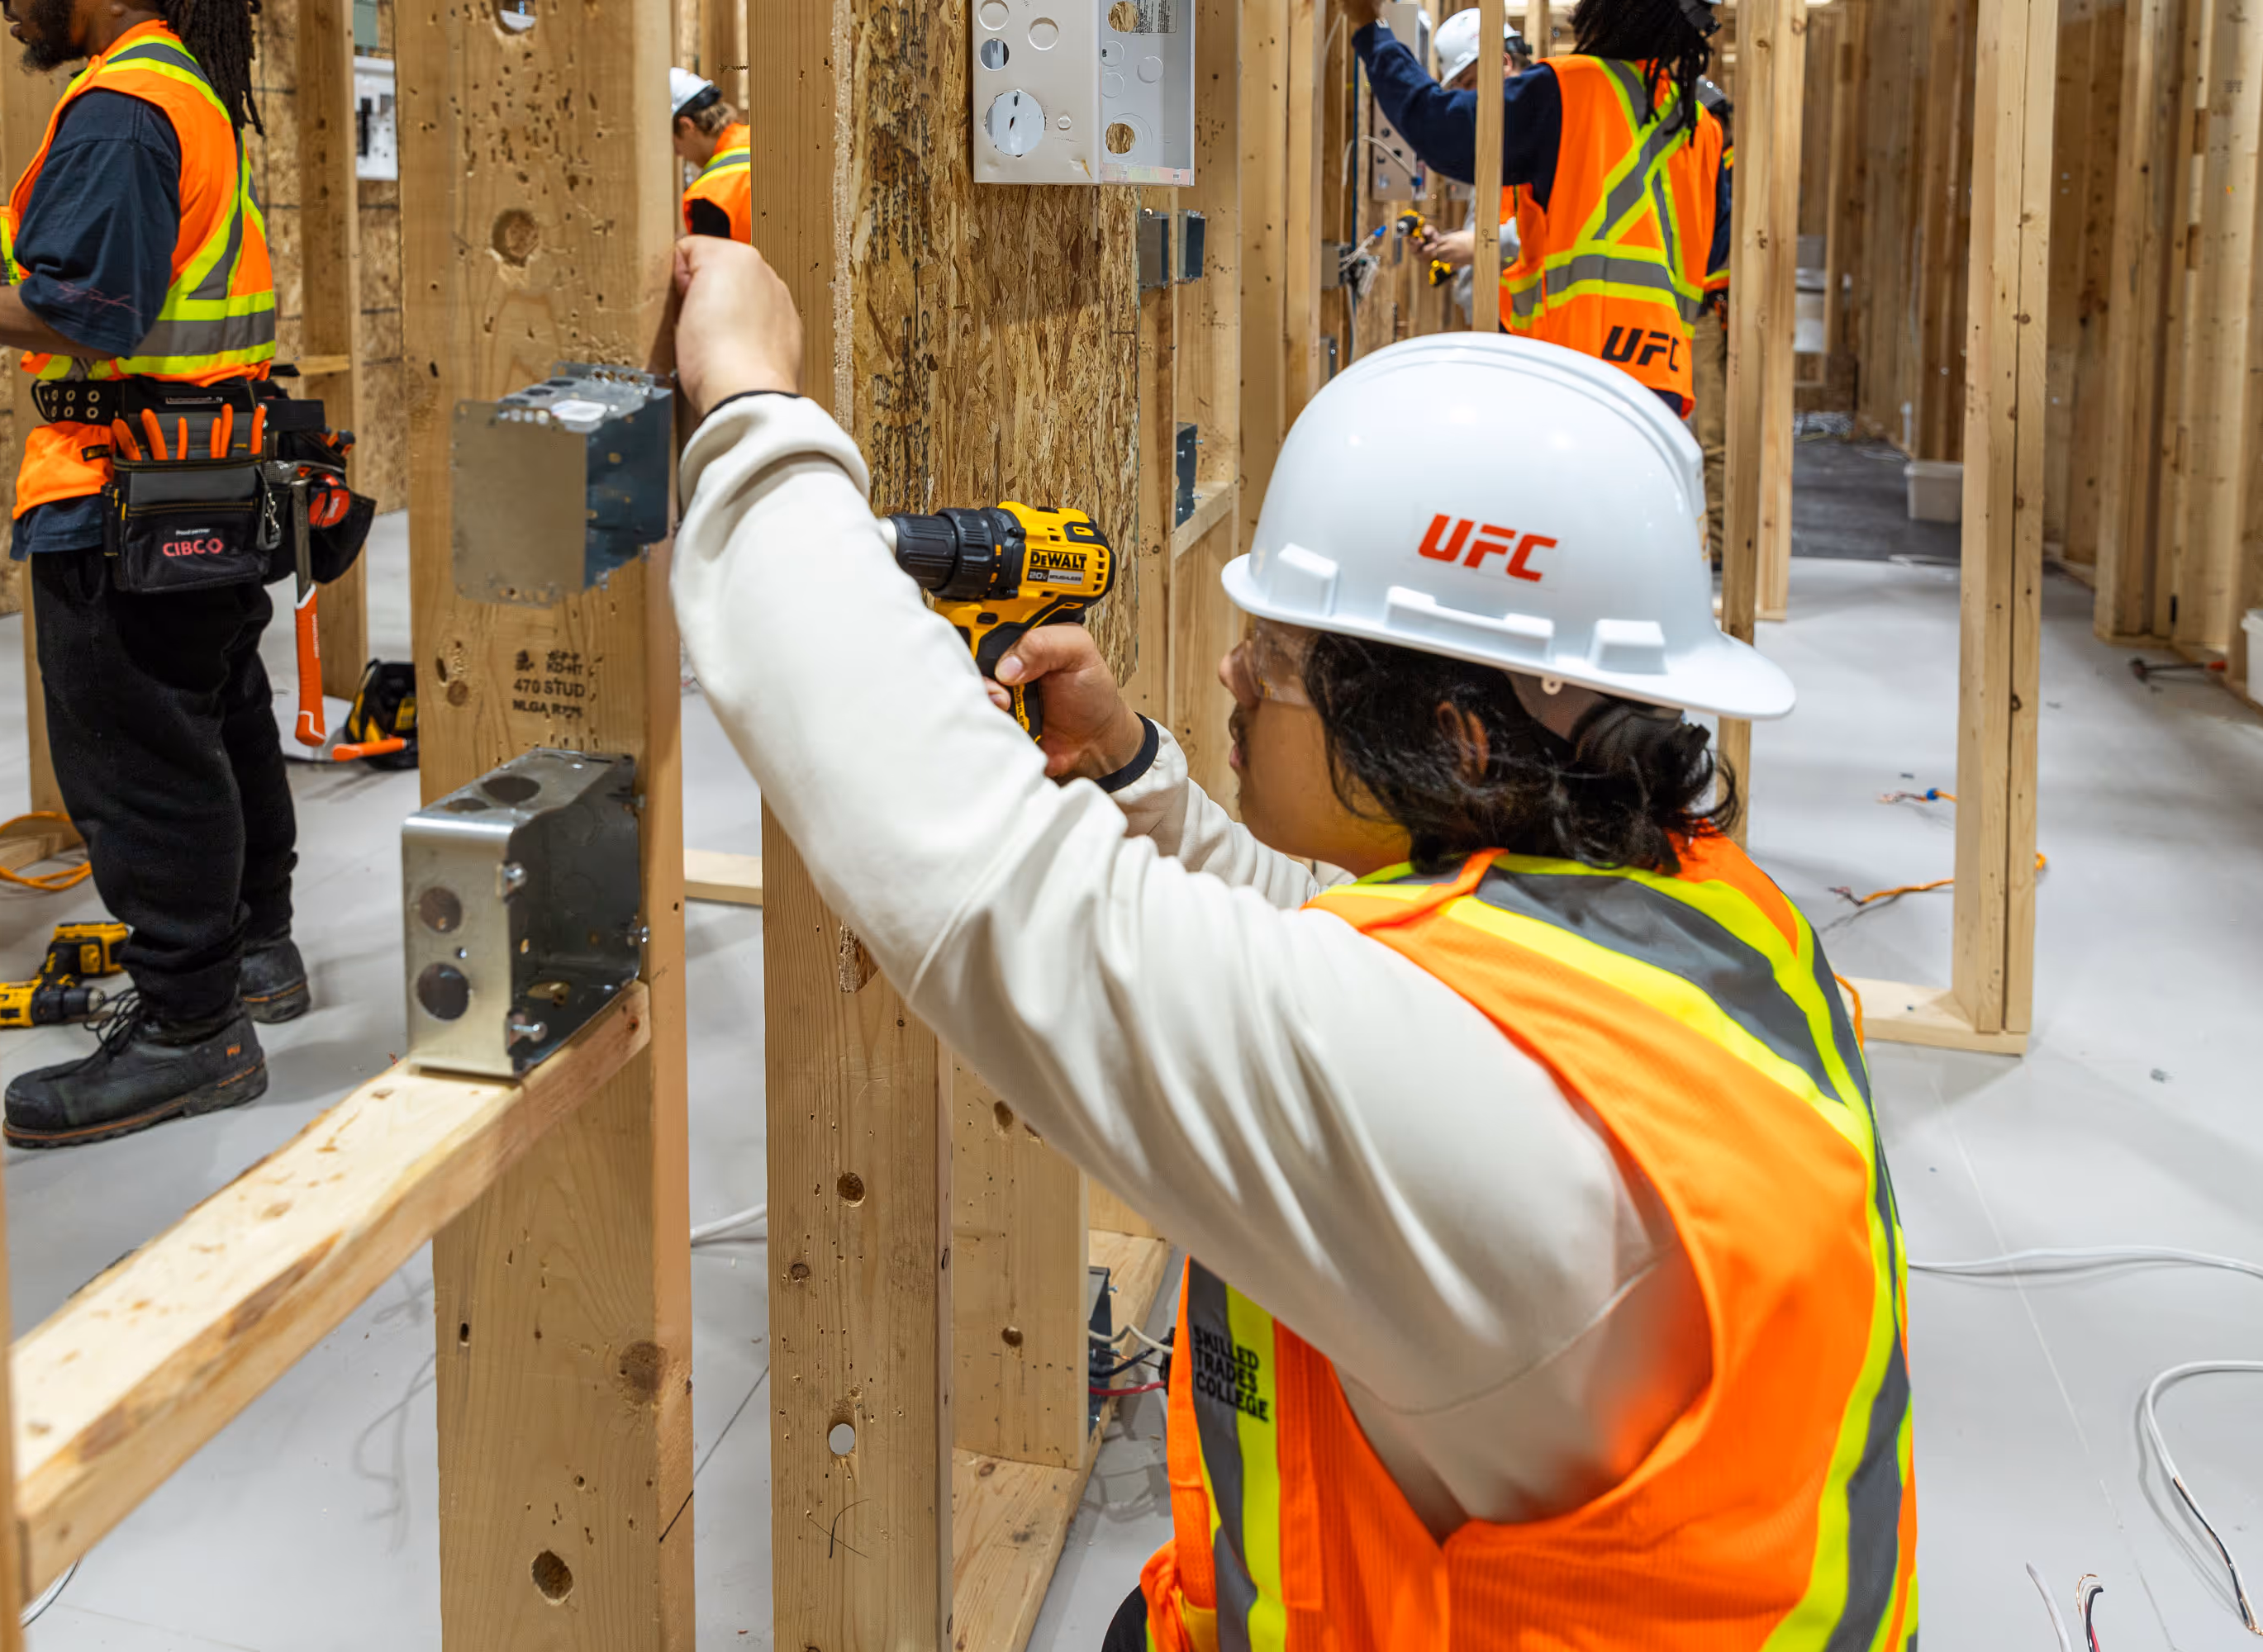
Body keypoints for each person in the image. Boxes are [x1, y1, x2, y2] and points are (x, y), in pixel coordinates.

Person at [663, 236, 1914, 1648]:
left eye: (1278, 655)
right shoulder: (1702, 919)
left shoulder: (1478, 1129)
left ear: (1447, 735)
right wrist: (1143, 779)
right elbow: (1391, 975)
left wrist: (750, 402)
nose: (1227, 671)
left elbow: (980, 880)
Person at [0, 0, 307, 1148]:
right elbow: (52, 257)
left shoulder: (115, 111)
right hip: (193, 478)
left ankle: (189, 1031)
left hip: (117, 489)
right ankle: (256, 951)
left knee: (141, 759)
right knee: (217, 712)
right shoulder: (168, 88)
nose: (6, 5)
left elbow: (87, 313)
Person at [1350, 0, 1731, 415]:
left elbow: (1441, 128)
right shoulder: (1700, 127)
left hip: (1578, 375)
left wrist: (1372, 29)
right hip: (1664, 384)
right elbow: (1710, 249)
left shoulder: (1571, 89)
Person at [1410, 9, 1534, 311]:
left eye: (1468, 84)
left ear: (1503, 63)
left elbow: (1560, 223)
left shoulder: (1542, 125)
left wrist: (1481, 244)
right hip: (1497, 323)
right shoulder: (1498, 135)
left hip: (1528, 330)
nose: (1465, 99)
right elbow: (1497, 225)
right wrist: (1452, 244)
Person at [672, 68, 752, 242]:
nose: (677, 153)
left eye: (674, 144)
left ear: (687, 127)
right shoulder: (763, 141)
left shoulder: (709, 197)